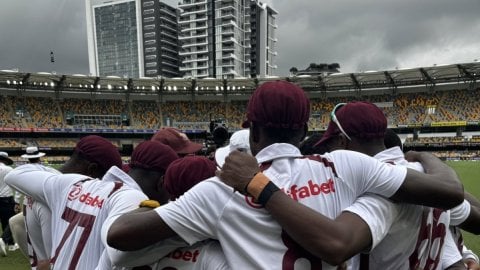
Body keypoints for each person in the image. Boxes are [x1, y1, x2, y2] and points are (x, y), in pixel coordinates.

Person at [106, 80, 463, 269]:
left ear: (254, 132)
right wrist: (422, 155)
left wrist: (146, 204)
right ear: (304, 129)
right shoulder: (348, 165)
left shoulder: (218, 193)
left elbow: (120, 237)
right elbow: (450, 194)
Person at [313, 102, 475, 269]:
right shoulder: (429, 180)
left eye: (330, 145)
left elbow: (337, 246)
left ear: (341, 142)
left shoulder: (378, 189)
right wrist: (427, 157)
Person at [5, 139, 179, 269]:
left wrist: (70, 181)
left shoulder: (71, 184)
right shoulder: (134, 200)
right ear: (161, 182)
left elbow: (13, 176)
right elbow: (117, 256)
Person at [0, 151, 15, 257]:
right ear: (5, 160)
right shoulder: (9, 169)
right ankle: (7, 242)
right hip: (6, 198)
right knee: (9, 221)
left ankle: (9, 242)